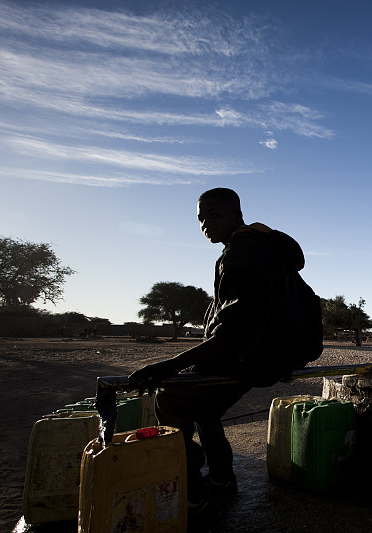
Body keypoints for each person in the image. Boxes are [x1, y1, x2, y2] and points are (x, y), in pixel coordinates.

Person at [128, 187, 322, 513]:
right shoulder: (266, 249)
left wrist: (170, 366)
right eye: (201, 219)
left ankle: (190, 493)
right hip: (273, 358)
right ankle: (221, 478)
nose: (206, 224)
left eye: (214, 215)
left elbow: (233, 334)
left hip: (248, 360)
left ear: (237, 215)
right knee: (204, 409)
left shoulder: (239, 254)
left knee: (170, 399)